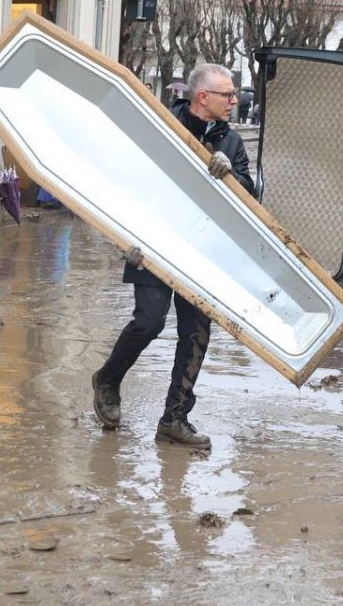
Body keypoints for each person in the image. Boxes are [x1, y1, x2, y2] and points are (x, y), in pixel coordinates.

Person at [92, 63, 255, 449]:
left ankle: (174, 419)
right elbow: (124, 183)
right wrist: (123, 239)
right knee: (149, 322)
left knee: (197, 332)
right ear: (203, 97)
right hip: (153, 244)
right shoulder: (159, 129)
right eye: (228, 94)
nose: (235, 100)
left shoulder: (231, 142)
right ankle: (108, 379)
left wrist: (232, 175)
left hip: (203, 252)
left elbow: (252, 198)